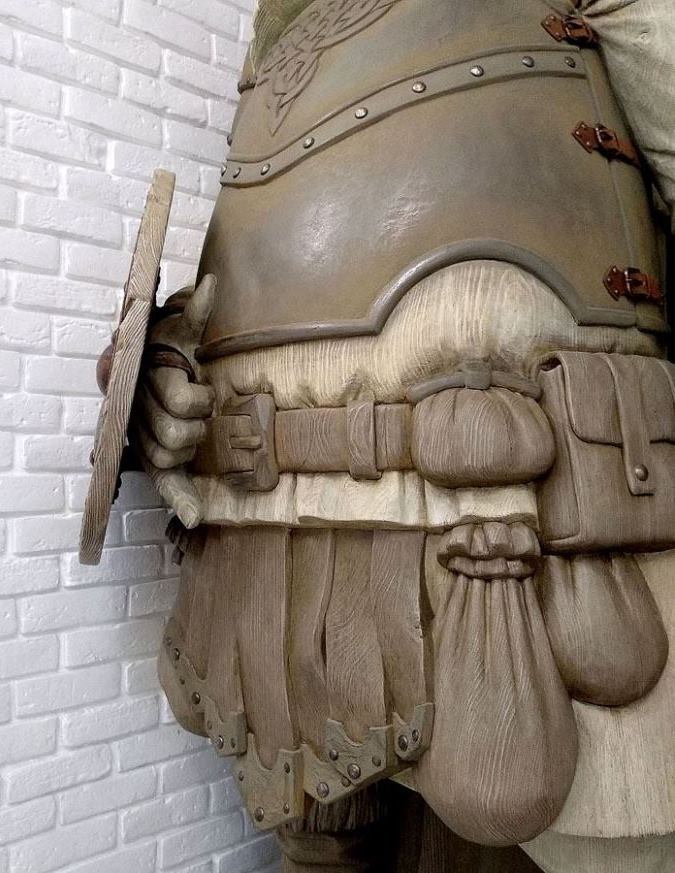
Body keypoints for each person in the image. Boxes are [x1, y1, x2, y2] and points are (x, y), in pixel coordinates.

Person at [126, 1, 675, 869]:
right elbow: (256, 255)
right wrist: (169, 360)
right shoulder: (281, 31)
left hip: (529, 515)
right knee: (318, 847)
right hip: (266, 543)